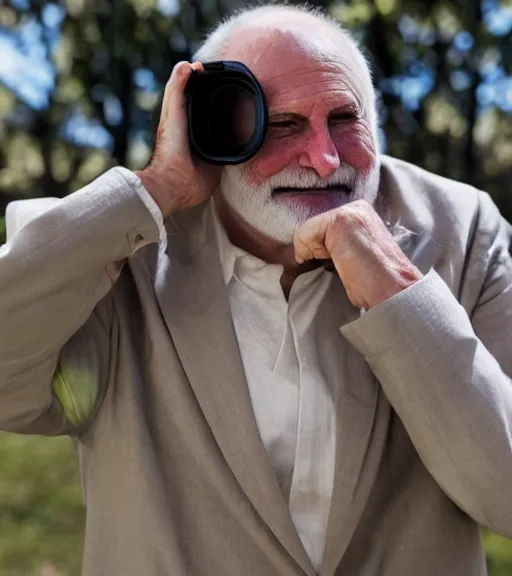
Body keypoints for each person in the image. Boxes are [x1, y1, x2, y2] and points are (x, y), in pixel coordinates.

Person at [1, 4, 511, 576]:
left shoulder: (465, 230)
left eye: (344, 118)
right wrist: (159, 187)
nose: (324, 159)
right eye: (282, 125)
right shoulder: (114, 253)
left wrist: (398, 291)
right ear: (211, 133)